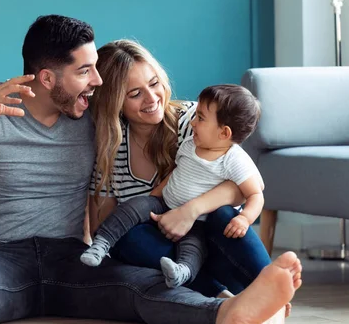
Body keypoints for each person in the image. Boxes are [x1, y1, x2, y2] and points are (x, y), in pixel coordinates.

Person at [0, 15, 302, 324]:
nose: (96, 81)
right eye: (84, 71)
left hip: (69, 257)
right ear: (46, 78)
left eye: (95, 69)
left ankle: (222, 316)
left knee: (140, 285)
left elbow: (197, 139)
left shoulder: (92, 116)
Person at [87, 39, 294, 323]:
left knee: (224, 216)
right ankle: (226, 303)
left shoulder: (195, 121)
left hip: (215, 241)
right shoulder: (112, 146)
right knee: (125, 238)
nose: (152, 98)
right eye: (135, 93)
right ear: (113, 102)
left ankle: (272, 300)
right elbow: (103, 222)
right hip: (167, 255)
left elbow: (241, 187)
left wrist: (189, 211)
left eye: (154, 83)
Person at [82, 83, 264, 291]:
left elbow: (256, 193)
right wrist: (154, 196)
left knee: (193, 249)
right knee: (131, 209)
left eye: (201, 118)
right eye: (135, 93)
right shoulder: (191, 143)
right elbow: (176, 173)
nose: (193, 122)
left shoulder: (233, 159)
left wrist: (245, 218)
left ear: (224, 133)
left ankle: (182, 273)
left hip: (198, 223)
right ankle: (101, 244)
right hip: (163, 204)